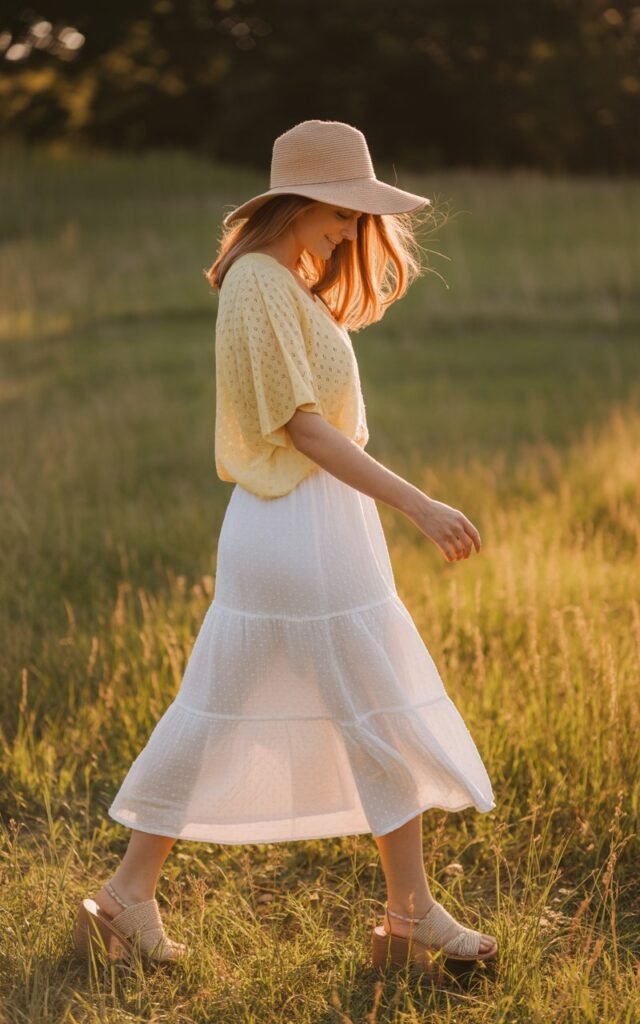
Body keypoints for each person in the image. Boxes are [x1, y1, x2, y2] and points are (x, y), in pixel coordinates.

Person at [72, 119, 498, 976]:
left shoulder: (282, 283)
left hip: (317, 530)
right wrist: (419, 503)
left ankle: (126, 897)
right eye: (343, 212)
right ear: (301, 203)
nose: (351, 230)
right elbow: (303, 431)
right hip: (297, 530)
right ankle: (409, 914)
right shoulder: (258, 284)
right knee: (367, 713)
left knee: (227, 708)